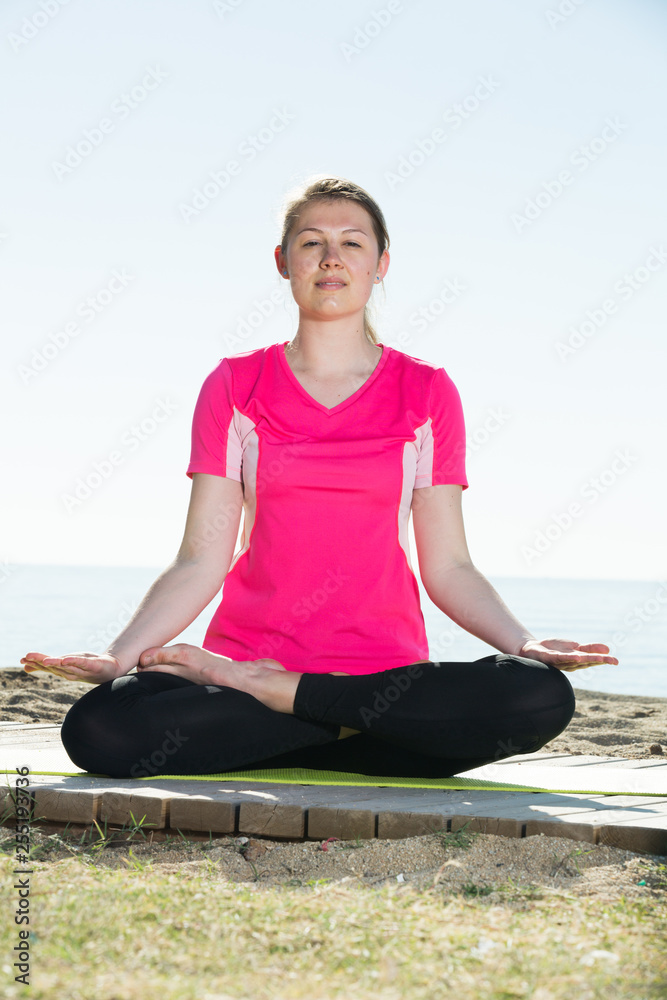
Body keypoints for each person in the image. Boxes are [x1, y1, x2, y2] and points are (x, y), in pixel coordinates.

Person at [21, 176, 618, 780]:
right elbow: (201, 559)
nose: (332, 257)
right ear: (283, 262)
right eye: (311, 242)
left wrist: (524, 643)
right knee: (97, 727)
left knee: (540, 693)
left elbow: (449, 568)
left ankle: (297, 711)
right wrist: (118, 656)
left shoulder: (427, 392)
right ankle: (330, 725)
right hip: (248, 677)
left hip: (382, 683)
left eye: (352, 243)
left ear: (381, 264)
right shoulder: (234, 386)